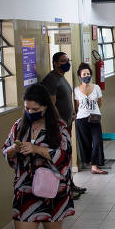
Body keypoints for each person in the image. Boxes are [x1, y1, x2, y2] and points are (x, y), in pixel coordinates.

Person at [1, 84, 75, 229]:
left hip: (52, 190)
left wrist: (37, 149)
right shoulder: (19, 126)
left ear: (46, 107)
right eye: (27, 108)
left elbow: (64, 155)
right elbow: (5, 151)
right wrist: (12, 150)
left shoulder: (59, 127)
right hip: (25, 190)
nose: (30, 112)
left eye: (35, 108)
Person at [41, 52, 87, 199]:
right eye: (63, 61)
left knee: (67, 155)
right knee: (61, 157)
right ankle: (65, 190)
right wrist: (60, 122)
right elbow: (52, 104)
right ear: (55, 63)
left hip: (67, 124)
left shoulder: (61, 78)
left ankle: (70, 184)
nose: (66, 63)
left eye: (67, 60)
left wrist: (72, 112)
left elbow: (65, 99)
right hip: (58, 127)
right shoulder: (51, 80)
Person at [74, 63, 108, 174]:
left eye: (88, 73)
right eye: (84, 74)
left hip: (94, 117)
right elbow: (77, 105)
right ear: (80, 76)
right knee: (85, 142)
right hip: (81, 119)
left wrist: (92, 110)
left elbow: (99, 103)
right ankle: (90, 163)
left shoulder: (96, 87)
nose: (86, 75)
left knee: (97, 140)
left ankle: (95, 165)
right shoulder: (76, 90)